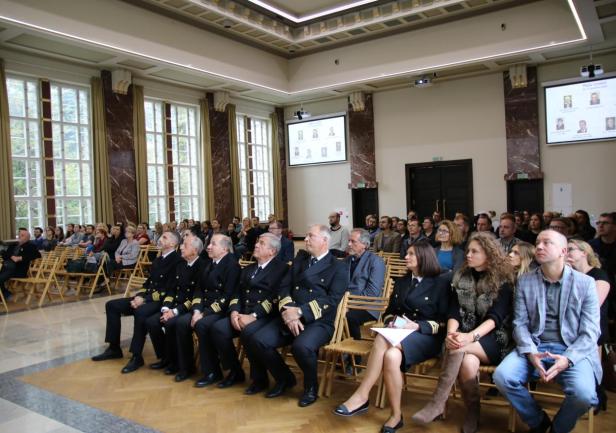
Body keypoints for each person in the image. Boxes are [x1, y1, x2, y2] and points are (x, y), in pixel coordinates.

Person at [334, 241, 450, 433]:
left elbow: (445, 321)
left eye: (411, 254)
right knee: (391, 356)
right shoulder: (403, 281)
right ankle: (396, 416)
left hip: (427, 336)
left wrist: (418, 325)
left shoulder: (440, 283)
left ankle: (362, 395)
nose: (406, 257)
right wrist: (394, 322)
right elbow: (389, 313)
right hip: (400, 334)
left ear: (423, 257)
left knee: (382, 338)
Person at [494, 230, 601, 433]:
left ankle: (558, 429)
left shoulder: (585, 283)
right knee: (502, 377)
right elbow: (520, 323)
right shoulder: (525, 281)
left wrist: (568, 359)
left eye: (547, 242)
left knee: (584, 394)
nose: (540, 246)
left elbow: (590, 332)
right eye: (538, 242)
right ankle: (538, 421)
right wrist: (530, 351)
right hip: (536, 346)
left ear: (563, 251)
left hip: (571, 349)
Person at [413, 232, 514, 433]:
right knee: (467, 363)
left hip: (495, 337)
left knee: (458, 348)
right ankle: (473, 412)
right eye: (468, 250)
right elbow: (454, 311)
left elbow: (495, 318)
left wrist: (468, 337)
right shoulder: (462, 277)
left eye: (474, 251)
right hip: (465, 334)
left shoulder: (503, 281)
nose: (468, 255)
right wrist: (451, 334)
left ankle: (437, 402)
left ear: (489, 254)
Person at [244, 224, 348, 407]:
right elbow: (284, 287)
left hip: (318, 321)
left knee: (301, 347)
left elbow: (332, 300)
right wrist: (289, 310)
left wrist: (299, 312)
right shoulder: (301, 259)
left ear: (324, 240)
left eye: (310, 236)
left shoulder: (338, 266)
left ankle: (310, 387)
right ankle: (285, 378)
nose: (305, 239)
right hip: (289, 315)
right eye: (306, 235)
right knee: (258, 340)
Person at [91, 231, 182, 372]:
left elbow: (169, 290)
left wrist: (144, 299)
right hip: (147, 297)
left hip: (161, 301)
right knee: (112, 305)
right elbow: (148, 284)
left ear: (172, 243)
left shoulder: (177, 261)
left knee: (140, 311)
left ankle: (136, 356)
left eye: (164, 237)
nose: (160, 239)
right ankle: (114, 348)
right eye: (161, 236)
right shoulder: (158, 259)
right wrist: (139, 296)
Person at [211, 233, 288, 392]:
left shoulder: (282, 269)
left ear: (272, 251)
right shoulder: (249, 268)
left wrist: (253, 316)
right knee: (218, 328)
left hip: (265, 315)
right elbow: (237, 293)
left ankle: (262, 379)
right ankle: (235, 372)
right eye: (257, 242)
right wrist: (234, 312)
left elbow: (275, 298)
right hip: (242, 313)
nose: (256, 245)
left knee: (249, 333)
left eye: (261, 243)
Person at [175, 234, 241, 385]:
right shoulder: (208, 264)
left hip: (221, 310)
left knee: (202, 324)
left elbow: (228, 296)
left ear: (224, 248)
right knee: (181, 322)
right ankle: (187, 367)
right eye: (209, 243)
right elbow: (199, 290)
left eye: (213, 244)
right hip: (203, 307)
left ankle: (212, 371)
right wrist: (196, 310)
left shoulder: (232, 265)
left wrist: (204, 313)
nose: (208, 247)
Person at [145, 234, 206, 377]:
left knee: (174, 323)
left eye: (185, 245)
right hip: (175, 305)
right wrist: (166, 307)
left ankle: (186, 366)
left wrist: (175, 311)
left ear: (195, 250)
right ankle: (167, 358)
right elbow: (172, 289)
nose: (181, 247)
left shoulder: (202, 266)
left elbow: (196, 296)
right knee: (152, 322)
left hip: (191, 307)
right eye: (182, 244)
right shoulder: (180, 265)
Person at [566, 238, 611, 413]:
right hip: (571, 327)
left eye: (571, 249)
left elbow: (592, 306)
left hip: (594, 328)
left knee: (593, 367)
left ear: (584, 252)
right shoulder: (568, 274)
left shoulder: (599, 275)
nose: (567, 253)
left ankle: (597, 399)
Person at [344, 229, 386, 340]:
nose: (349, 244)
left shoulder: (376, 261)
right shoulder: (347, 260)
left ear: (364, 245)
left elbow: (372, 292)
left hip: (369, 305)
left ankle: (354, 349)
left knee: (349, 317)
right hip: (346, 302)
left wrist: (349, 304)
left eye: (353, 241)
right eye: (349, 241)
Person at [0, 228, 41, 300]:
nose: (19, 236)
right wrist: (12, 256)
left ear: (27, 238)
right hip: (6, 266)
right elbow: (4, 254)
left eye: (22, 235)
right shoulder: (13, 245)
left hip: (18, 269)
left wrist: (20, 258)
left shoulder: (30, 246)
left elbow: (37, 255)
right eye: (19, 235)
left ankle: (5, 294)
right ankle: (5, 294)